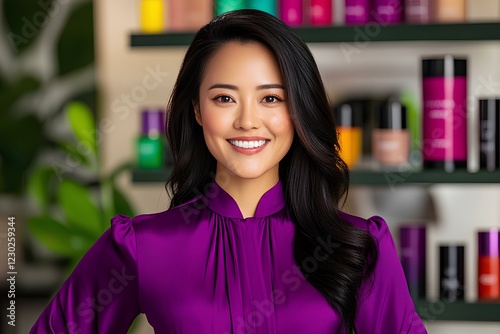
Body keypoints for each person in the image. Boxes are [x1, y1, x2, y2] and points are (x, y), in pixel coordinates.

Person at [31, 9, 427, 334]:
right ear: (198, 111)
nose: (248, 121)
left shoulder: (359, 246)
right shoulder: (141, 245)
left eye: (271, 98)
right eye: (224, 98)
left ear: (298, 111)